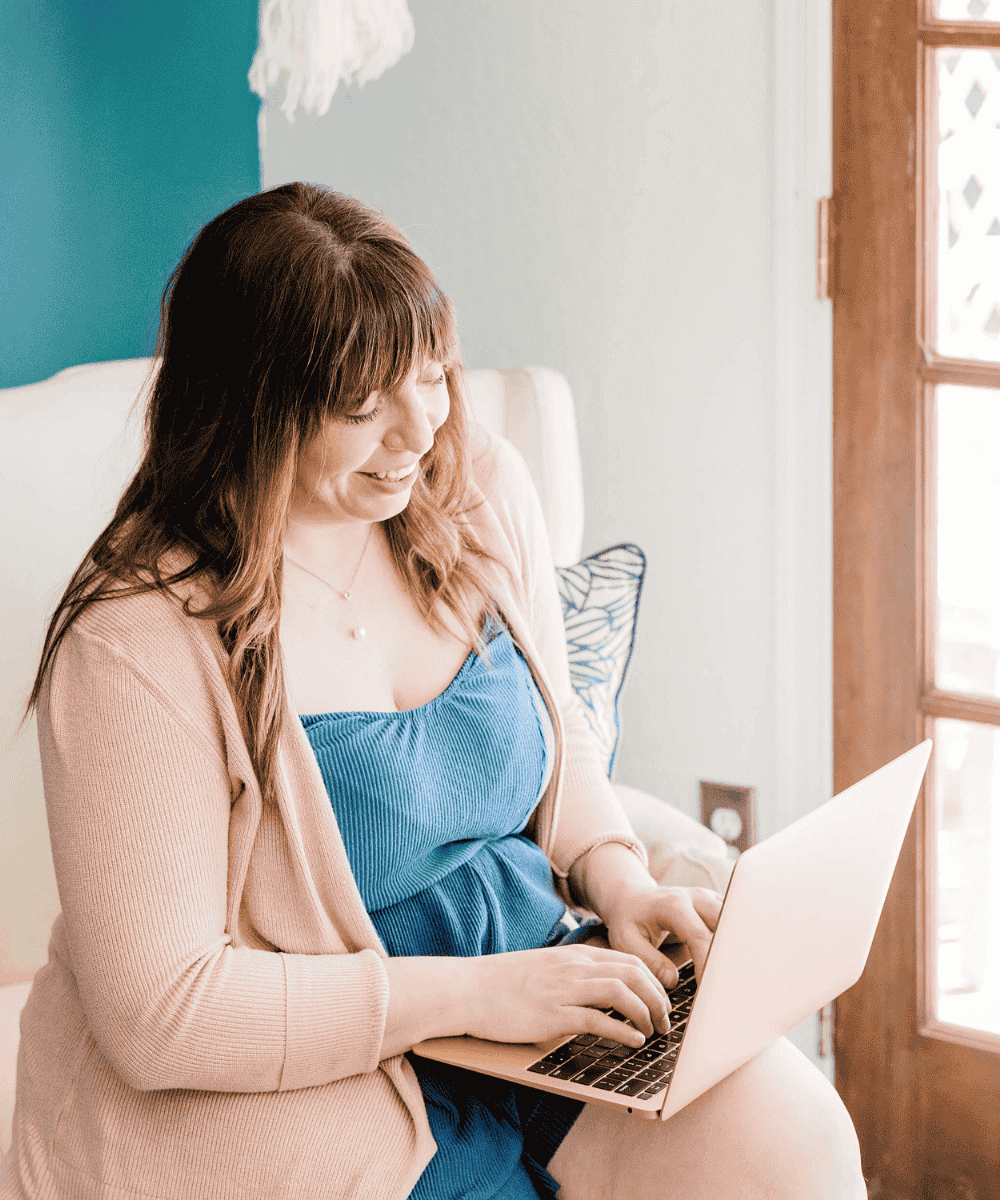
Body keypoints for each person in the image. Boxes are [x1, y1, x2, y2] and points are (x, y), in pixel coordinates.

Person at [5, 182, 866, 1200]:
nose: (419, 428)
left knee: (793, 1142)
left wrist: (617, 881)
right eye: (363, 404)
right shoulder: (138, 638)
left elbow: (561, 747)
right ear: (251, 407)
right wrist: (480, 997)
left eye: (432, 375)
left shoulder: (475, 488)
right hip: (278, 1079)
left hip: (530, 1003)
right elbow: (162, 1017)